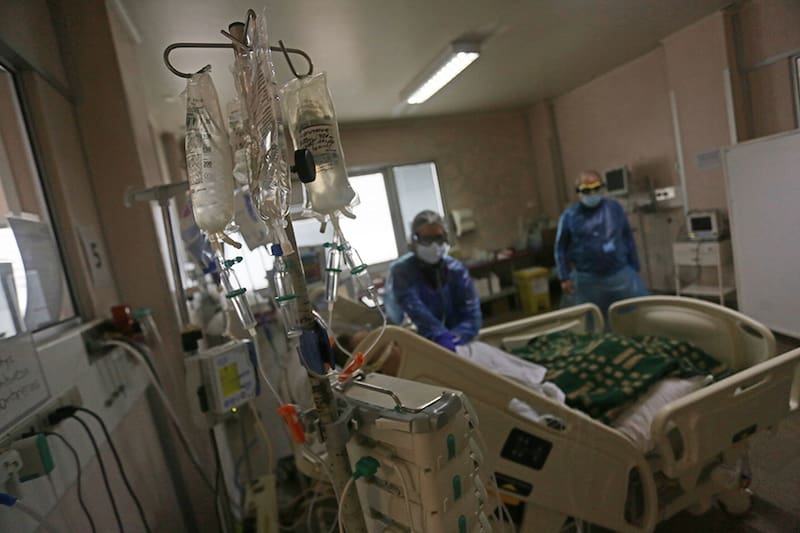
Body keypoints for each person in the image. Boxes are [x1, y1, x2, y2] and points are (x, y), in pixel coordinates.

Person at [384, 210, 482, 350]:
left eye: (438, 238)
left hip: (458, 346)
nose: (434, 245)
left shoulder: (456, 270)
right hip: (417, 346)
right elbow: (414, 310)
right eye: (427, 239)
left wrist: (456, 338)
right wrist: (439, 336)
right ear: (414, 240)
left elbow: (472, 315)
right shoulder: (402, 271)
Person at [555, 170, 648, 317]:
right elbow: (560, 248)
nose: (592, 194)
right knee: (591, 320)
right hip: (587, 281)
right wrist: (564, 277)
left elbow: (627, 237)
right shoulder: (569, 216)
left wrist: (635, 266)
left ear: (602, 188)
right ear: (578, 192)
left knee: (634, 315)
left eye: (596, 188)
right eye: (587, 190)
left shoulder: (614, 208)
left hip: (620, 275)